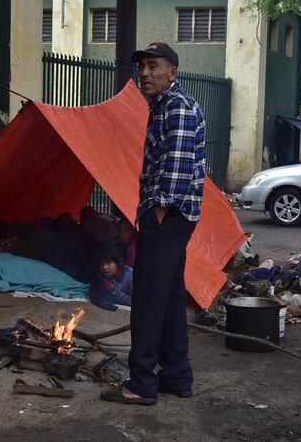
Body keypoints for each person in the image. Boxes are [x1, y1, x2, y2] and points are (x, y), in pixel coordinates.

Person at [101, 42, 206, 405]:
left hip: (167, 217)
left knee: (147, 298)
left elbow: (176, 168)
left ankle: (141, 383)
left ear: (172, 72)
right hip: (171, 218)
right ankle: (177, 376)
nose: (144, 73)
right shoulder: (164, 106)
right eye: (142, 67)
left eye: (153, 66)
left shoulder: (177, 107)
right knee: (172, 296)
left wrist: (156, 215)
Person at [89, 243, 133, 310]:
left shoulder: (130, 276)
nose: (104, 267)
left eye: (108, 263)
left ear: (120, 261)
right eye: (101, 263)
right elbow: (94, 292)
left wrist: (116, 293)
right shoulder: (100, 275)